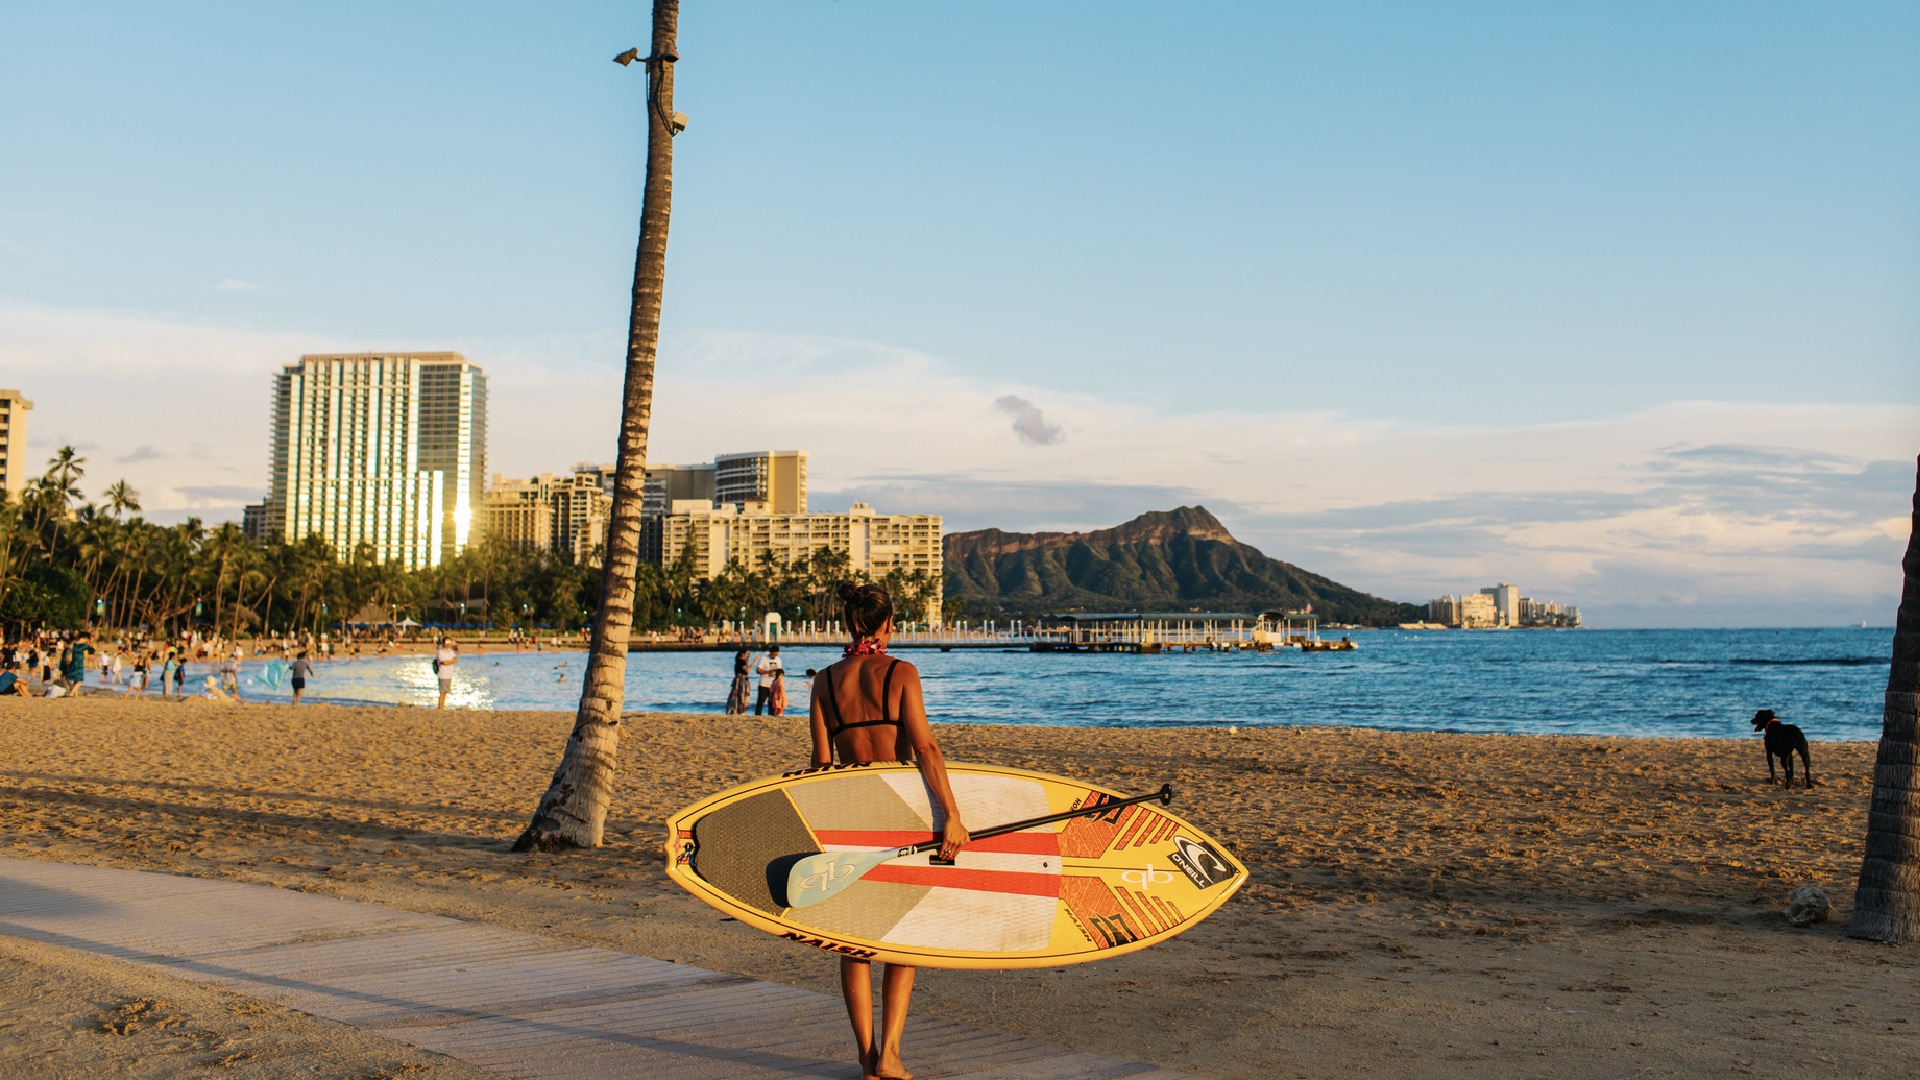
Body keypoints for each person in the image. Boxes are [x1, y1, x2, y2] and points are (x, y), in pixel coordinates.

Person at [809, 581, 968, 1080]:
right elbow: (925, 749)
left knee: (851, 941)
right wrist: (952, 816)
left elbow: (820, 764)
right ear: (886, 625)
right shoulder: (901, 673)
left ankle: (866, 1057)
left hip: (848, 815)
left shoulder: (824, 682)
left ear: (848, 626)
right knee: (903, 935)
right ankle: (892, 1054)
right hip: (899, 812)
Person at [755, 645, 784, 716]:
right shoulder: (764, 658)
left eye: (776, 654)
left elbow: (780, 672)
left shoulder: (778, 660)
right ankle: (758, 715)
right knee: (761, 700)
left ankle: (771, 715)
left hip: (773, 684)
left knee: (772, 702)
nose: (774, 656)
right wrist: (768, 672)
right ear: (770, 652)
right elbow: (758, 670)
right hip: (764, 683)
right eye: (773, 654)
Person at [725, 649, 751, 715]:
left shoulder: (741, 661)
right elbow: (747, 670)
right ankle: (739, 710)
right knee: (740, 695)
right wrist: (754, 661)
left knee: (739, 696)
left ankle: (737, 710)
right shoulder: (741, 662)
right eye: (747, 653)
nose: (748, 655)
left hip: (741, 681)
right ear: (742, 654)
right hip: (741, 681)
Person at [434, 638, 458, 709]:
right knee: (442, 692)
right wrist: (451, 661)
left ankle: (442, 706)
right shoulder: (441, 652)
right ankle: (440, 707)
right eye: (446, 642)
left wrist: (449, 662)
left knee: (446, 692)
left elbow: (455, 659)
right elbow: (444, 662)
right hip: (442, 675)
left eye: (449, 642)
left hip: (449, 675)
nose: (448, 644)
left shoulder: (450, 651)